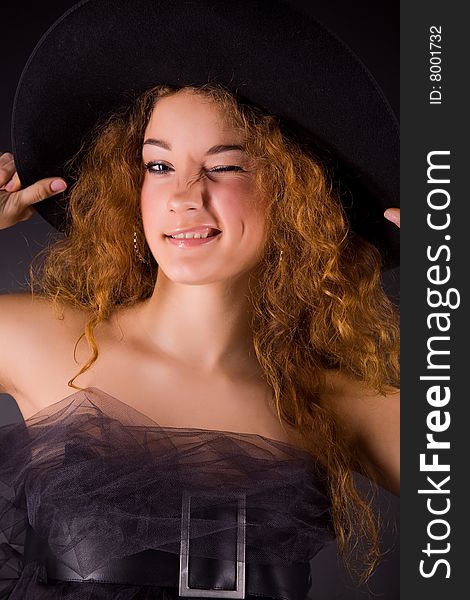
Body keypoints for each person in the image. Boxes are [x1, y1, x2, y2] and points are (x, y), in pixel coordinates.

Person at [0, 1, 400, 598]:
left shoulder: (331, 402)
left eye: (225, 166)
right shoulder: (36, 339)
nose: (184, 197)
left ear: (296, 195)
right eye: (159, 165)